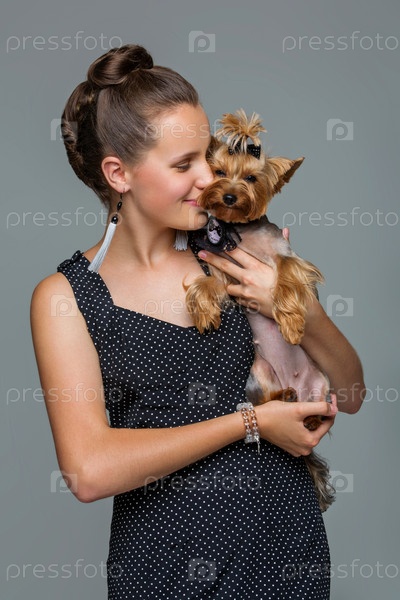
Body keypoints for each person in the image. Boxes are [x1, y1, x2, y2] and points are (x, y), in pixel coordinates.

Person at [30, 44, 365, 599]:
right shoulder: (67, 297)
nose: (209, 176)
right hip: (164, 562)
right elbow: (88, 472)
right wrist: (250, 423)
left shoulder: (234, 252)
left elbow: (350, 394)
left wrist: (302, 310)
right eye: (184, 164)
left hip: (285, 545)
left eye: (206, 156)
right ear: (119, 173)